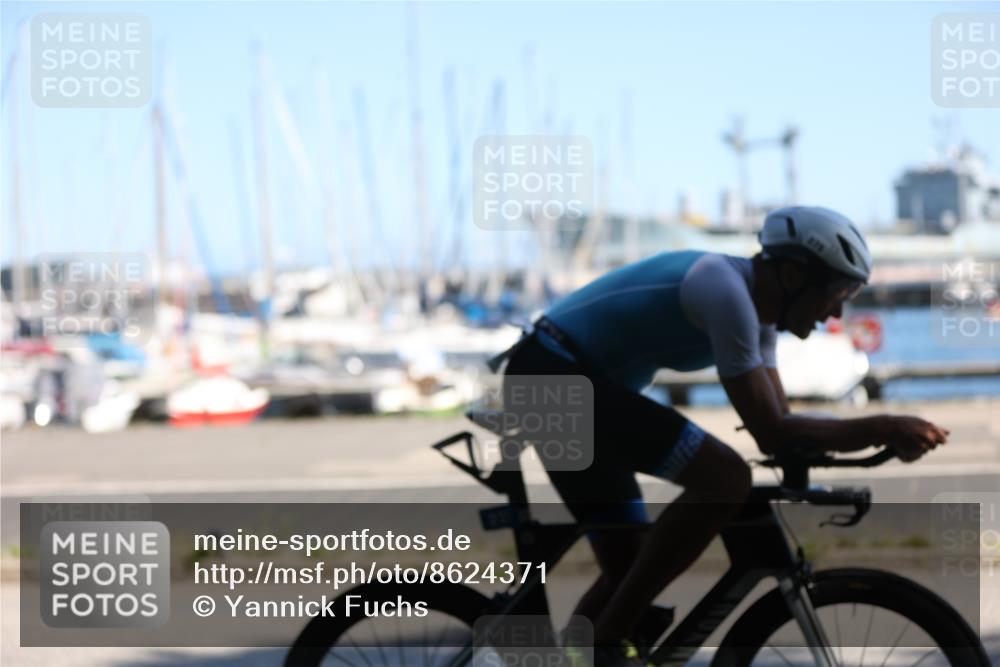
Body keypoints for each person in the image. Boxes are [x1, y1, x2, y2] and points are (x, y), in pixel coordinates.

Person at [500, 205, 949, 666]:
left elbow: (782, 425)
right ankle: (609, 642)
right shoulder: (724, 292)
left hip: (561, 381)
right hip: (553, 377)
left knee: (630, 570)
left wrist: (857, 443)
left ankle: (585, 654)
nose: (838, 310)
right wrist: (883, 427)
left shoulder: (761, 320)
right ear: (793, 276)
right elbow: (771, 431)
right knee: (724, 478)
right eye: (837, 293)